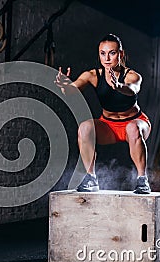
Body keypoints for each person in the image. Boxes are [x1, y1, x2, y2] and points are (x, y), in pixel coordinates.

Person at [54, 33, 151, 194]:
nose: (107, 58)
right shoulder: (92, 75)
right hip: (109, 126)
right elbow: (72, 90)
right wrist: (65, 86)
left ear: (121, 54)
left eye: (112, 53)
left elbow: (133, 89)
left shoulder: (133, 75)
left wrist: (119, 87)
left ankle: (142, 180)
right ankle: (91, 178)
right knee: (84, 127)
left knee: (133, 128)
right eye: (102, 53)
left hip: (135, 123)